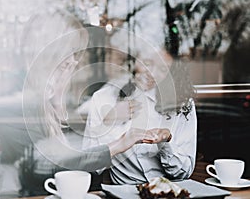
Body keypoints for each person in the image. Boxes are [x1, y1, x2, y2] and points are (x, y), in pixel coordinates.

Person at [0, 7, 162, 197]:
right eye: (68, 56)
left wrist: (58, 101)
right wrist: (118, 144)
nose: (73, 62)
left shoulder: (44, 102)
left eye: (75, 55)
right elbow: (52, 167)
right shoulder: (18, 103)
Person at [83, 49, 197, 184]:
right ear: (132, 60)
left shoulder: (181, 102)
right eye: (147, 63)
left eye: (162, 68)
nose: (152, 74)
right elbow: (90, 166)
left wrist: (166, 143)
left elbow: (184, 172)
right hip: (124, 192)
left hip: (170, 190)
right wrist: (109, 122)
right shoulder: (104, 98)